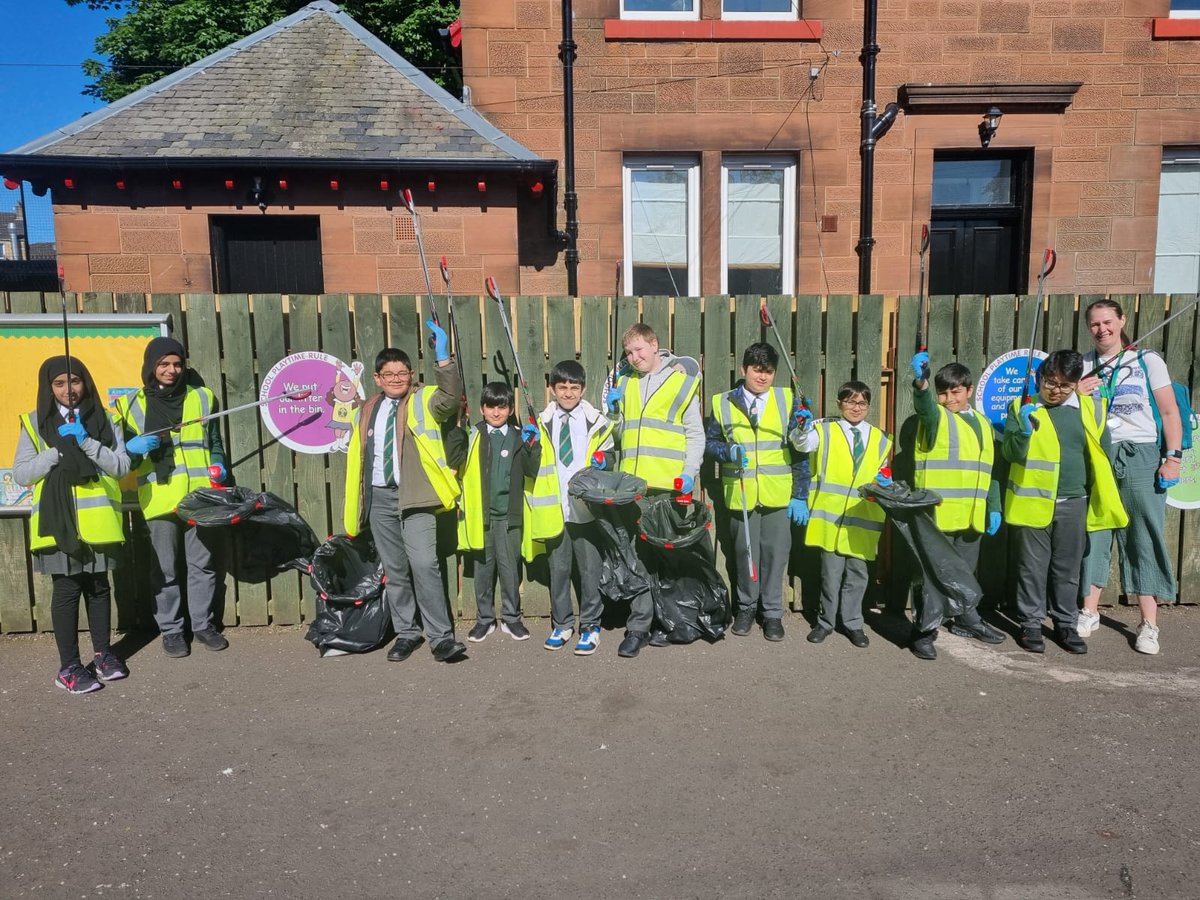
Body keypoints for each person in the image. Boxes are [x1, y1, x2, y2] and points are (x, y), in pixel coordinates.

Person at [343, 321, 467, 663]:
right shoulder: (365, 409)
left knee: (425, 564)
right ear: (377, 378)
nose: (396, 378)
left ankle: (441, 638)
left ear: (412, 374)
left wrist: (443, 358)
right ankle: (407, 633)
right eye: (389, 373)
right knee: (395, 570)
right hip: (379, 498)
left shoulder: (424, 400)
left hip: (416, 497)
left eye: (402, 372)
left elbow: (450, 398)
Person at [14, 356, 130, 693]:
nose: (69, 390)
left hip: (99, 523)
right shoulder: (34, 422)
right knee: (66, 591)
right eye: (60, 384)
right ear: (49, 388)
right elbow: (22, 474)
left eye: (75, 381)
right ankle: (68, 668)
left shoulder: (106, 420)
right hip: (57, 523)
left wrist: (86, 441)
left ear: (86, 383)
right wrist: (54, 451)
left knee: (99, 589)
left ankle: (104, 655)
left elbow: (121, 467)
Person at [1001, 350, 1127, 655]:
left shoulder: (1092, 409)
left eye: (1064, 385)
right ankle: (1031, 625)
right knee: (1031, 568)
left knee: (1067, 569)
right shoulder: (1021, 406)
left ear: (1076, 383)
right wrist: (1022, 434)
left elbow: (1103, 453)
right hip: (1031, 502)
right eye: (1049, 382)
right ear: (1039, 377)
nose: (1055, 390)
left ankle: (1065, 624)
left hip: (1074, 501)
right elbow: (1010, 454)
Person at [1077, 299, 1184, 655]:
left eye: (1108, 321)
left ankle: (1148, 624)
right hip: (1100, 455)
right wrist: (1077, 394)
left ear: (1122, 321)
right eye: (1094, 324)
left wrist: (1173, 458)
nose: (1101, 329)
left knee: (1143, 535)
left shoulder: (1147, 360)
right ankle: (1089, 611)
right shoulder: (1084, 366)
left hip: (1141, 455)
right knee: (1097, 530)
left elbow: (1169, 412)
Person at [116, 337, 228, 658]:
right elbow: (125, 459)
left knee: (202, 564)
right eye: (163, 364)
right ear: (151, 366)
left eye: (177, 364)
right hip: (160, 496)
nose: (171, 370)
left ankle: (203, 625)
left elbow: (214, 441)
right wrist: (133, 449)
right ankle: (172, 630)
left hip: (200, 495)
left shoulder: (203, 398)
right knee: (164, 568)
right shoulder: (131, 405)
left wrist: (219, 464)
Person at [606, 323, 703, 658]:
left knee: (665, 559)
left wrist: (689, 474)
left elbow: (695, 434)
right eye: (629, 353)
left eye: (639, 350)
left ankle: (671, 622)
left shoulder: (681, 381)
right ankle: (639, 627)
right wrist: (613, 412)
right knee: (636, 560)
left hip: (665, 486)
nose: (634, 358)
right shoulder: (625, 383)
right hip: (633, 487)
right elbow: (619, 436)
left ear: (654, 345)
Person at [705, 342, 811, 642]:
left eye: (768, 371)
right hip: (741, 494)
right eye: (756, 370)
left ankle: (773, 614)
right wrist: (728, 451)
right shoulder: (722, 402)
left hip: (778, 494)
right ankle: (747, 609)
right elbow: (710, 443)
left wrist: (800, 495)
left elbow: (800, 452)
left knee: (776, 555)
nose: (762, 377)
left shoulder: (788, 400)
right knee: (744, 554)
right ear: (744, 370)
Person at [905, 352, 1006, 660]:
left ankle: (966, 618)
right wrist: (921, 383)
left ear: (969, 390)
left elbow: (990, 470)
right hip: (938, 513)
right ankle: (923, 630)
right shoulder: (935, 416)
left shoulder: (984, 424)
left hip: (971, 515)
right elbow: (924, 407)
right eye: (943, 392)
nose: (949, 398)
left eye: (956, 391)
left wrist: (994, 506)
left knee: (964, 572)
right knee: (931, 575)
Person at [791, 381, 892, 648]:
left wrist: (885, 483)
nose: (856, 408)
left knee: (858, 575)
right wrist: (801, 426)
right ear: (839, 404)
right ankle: (825, 623)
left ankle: (853, 624)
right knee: (830, 574)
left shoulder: (881, 439)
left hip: (863, 521)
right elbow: (801, 444)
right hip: (831, 520)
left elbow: (884, 474)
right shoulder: (823, 431)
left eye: (861, 403)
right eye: (850, 402)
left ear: (868, 406)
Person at [537, 360, 614, 655]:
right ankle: (562, 623)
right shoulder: (543, 422)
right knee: (558, 569)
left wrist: (602, 461)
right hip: (555, 508)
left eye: (574, 388)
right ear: (552, 389)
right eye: (562, 387)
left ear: (583, 389)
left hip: (585, 510)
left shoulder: (596, 421)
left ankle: (591, 625)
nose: (568, 393)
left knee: (589, 569)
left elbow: (609, 455)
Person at [458, 382, 541, 643]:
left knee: (509, 569)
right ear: (482, 409)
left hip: (509, 517)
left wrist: (532, 445)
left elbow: (532, 470)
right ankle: (485, 620)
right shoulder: (472, 436)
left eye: (502, 406)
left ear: (510, 408)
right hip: (481, 517)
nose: (496, 412)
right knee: (483, 570)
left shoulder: (518, 436)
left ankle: (511, 618)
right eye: (490, 406)